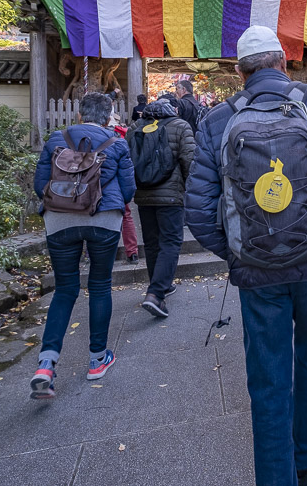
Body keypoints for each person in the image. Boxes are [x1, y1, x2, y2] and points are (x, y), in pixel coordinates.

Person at [186, 25, 307, 486]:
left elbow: (198, 210)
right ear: (285, 61)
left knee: (268, 380)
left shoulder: (216, 121)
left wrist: (237, 254)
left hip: (257, 274)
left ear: (239, 71)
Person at [30, 92, 135, 399]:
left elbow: (40, 185)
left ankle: (46, 365)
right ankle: (97, 359)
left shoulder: (55, 139)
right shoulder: (117, 143)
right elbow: (128, 190)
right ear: (108, 117)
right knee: (100, 285)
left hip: (60, 220)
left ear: (78, 116)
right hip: (103, 219)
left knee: (65, 289)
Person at [132, 97, 195, 318]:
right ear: (173, 110)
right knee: (171, 241)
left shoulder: (136, 127)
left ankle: (160, 285)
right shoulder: (180, 126)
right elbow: (189, 160)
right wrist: (190, 190)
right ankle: (156, 293)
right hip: (170, 196)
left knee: (151, 242)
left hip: (143, 195)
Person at [110, 118, 140, 263]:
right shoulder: (120, 137)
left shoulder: (92, 137)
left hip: (98, 185)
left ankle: (96, 253)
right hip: (118, 185)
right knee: (126, 216)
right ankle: (132, 252)